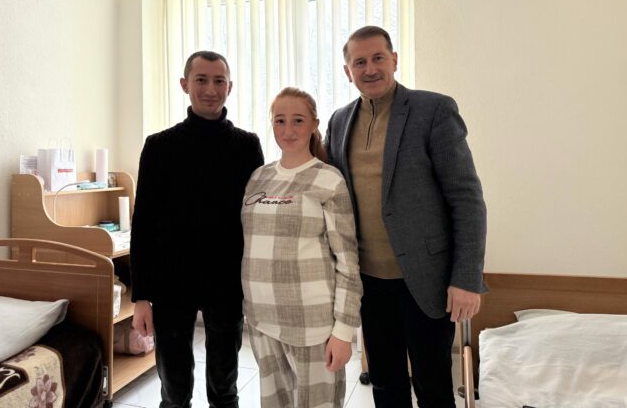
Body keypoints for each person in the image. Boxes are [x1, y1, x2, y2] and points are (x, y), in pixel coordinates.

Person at [324, 26, 487, 408]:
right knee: (385, 384)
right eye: (359, 62)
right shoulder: (338, 121)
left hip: (426, 282)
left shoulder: (433, 110)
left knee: (433, 387)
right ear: (347, 71)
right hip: (368, 283)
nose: (370, 68)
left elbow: (467, 198)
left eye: (378, 58)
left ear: (394, 60)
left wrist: (466, 278)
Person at [130, 50, 264, 408]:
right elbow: (143, 222)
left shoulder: (247, 146)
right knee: (174, 391)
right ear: (184, 84)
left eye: (219, 81)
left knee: (224, 387)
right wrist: (141, 297)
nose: (210, 89)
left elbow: (257, 219)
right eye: (201, 80)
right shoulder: (159, 146)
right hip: (171, 282)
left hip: (227, 280)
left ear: (230, 87)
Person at [241, 87, 363, 408]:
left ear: (314, 125)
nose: (288, 130)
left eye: (298, 120)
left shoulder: (329, 180)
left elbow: (348, 263)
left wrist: (343, 331)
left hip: (312, 324)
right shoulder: (258, 178)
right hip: (262, 320)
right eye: (280, 120)